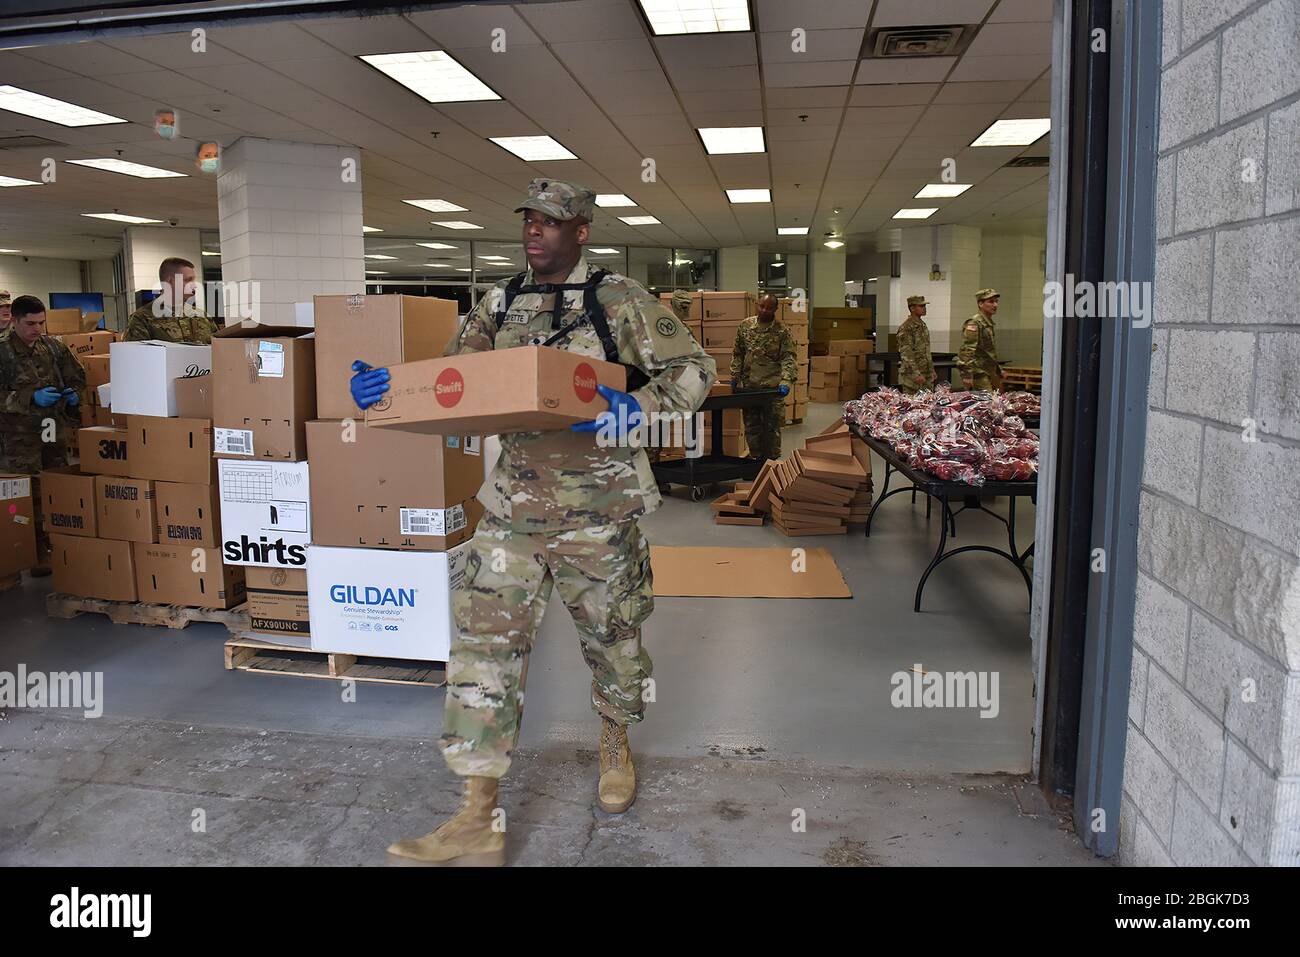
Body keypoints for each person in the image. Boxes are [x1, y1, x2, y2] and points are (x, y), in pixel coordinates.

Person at [351, 179, 716, 866]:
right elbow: (452, 381)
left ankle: (614, 743)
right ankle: (475, 814)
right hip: (513, 509)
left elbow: (695, 367)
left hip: (600, 510)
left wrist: (643, 405)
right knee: (483, 646)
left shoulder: (620, 299)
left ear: (581, 230)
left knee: (612, 639)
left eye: (551, 222)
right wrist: (388, 391)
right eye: (528, 219)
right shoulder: (499, 300)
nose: (534, 231)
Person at [0, 296, 86, 575]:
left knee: (55, 486)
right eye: (29, 323)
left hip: (52, 430)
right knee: (29, 494)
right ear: (14, 320)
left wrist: (74, 395)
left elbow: (77, 377)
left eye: (40, 322)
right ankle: (32, 551)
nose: (36, 329)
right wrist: (29, 396)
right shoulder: (2, 351)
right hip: (17, 438)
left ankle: (57, 545)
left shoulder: (53, 347)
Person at [729, 292, 796, 462]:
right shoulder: (745, 326)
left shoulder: (782, 331)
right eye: (762, 306)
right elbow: (738, 353)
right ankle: (756, 463)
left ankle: (771, 464)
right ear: (757, 305)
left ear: (775, 309)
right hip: (750, 387)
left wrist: (786, 380)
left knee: (772, 429)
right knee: (752, 428)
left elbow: (788, 357)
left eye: (769, 308)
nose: (764, 310)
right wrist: (734, 375)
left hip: (772, 390)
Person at [124, 257, 216, 343]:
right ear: (170, 282)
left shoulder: (202, 317)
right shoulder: (142, 319)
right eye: (188, 280)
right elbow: (135, 356)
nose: (194, 285)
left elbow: (217, 349)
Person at [958, 287, 1003, 391]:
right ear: (980, 304)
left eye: (996, 302)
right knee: (987, 403)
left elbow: (988, 351)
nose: (995, 305)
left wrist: (999, 370)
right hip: (978, 371)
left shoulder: (988, 322)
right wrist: (966, 374)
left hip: (990, 370)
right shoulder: (975, 323)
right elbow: (967, 350)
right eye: (991, 302)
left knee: (998, 401)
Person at [897, 295, 937, 394]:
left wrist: (931, 369)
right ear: (912, 308)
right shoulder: (907, 327)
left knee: (928, 404)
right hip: (913, 375)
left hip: (925, 373)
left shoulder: (922, 325)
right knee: (913, 405)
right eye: (921, 306)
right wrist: (916, 374)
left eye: (924, 306)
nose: (924, 308)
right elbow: (906, 353)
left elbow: (926, 351)